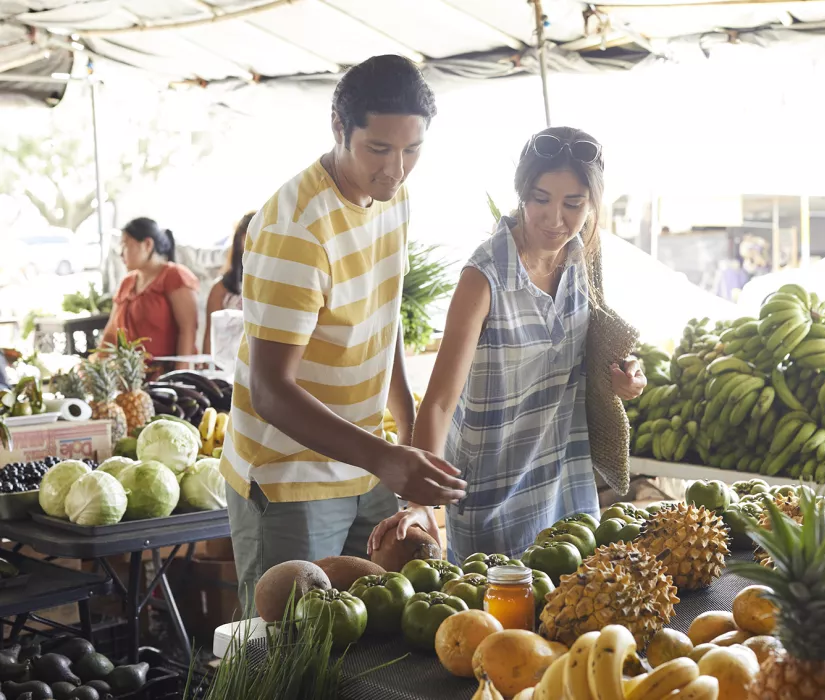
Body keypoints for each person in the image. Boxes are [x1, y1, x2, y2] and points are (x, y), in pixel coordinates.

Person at [221, 54, 467, 609]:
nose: (396, 169)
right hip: (291, 477)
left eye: (412, 149)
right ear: (339, 127)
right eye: (378, 148)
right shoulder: (297, 228)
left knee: (373, 638)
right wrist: (385, 458)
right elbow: (271, 391)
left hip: (365, 462)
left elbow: (385, 314)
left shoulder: (393, 194)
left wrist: (403, 425)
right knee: (284, 660)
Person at [369, 127, 647, 563]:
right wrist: (421, 503)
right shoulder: (483, 278)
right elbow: (440, 402)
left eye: (573, 204)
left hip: (568, 485)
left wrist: (625, 375)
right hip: (492, 501)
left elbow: (596, 342)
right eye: (541, 198)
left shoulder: (583, 256)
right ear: (521, 193)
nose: (556, 219)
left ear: (592, 203)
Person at [100, 218, 199, 370]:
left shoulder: (174, 276)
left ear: (147, 244)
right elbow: (111, 334)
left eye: (125, 245)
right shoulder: (127, 283)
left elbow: (188, 329)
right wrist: (95, 366)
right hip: (129, 375)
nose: (121, 254)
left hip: (166, 376)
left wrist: (180, 375)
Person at [202, 212, 253, 354]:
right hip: (227, 365)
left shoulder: (278, 284)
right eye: (250, 237)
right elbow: (210, 338)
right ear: (240, 240)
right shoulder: (221, 288)